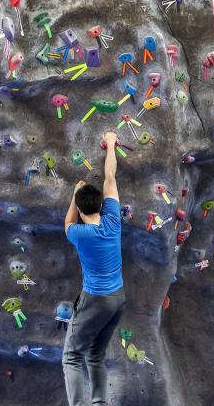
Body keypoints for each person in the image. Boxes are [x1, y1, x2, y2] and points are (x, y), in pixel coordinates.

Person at [62, 131, 126, 406]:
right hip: (118, 300)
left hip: (95, 300)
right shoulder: (113, 222)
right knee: (95, 355)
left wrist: (74, 195)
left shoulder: (78, 233)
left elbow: (67, 222)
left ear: (79, 208)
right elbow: (110, 177)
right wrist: (111, 142)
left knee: (72, 356)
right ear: (102, 204)